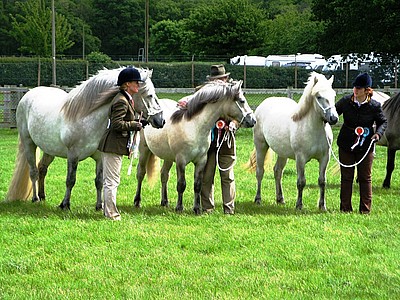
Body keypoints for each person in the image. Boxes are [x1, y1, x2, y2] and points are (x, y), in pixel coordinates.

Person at [98, 67, 148, 220]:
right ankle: (111, 214)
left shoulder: (124, 98)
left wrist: (138, 122)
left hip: (114, 145)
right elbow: (116, 124)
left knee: (112, 180)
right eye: (136, 83)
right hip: (113, 145)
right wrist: (135, 125)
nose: (138, 86)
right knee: (112, 181)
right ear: (126, 84)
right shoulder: (121, 100)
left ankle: (109, 211)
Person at [335, 72, 387, 214]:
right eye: (354, 87)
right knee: (346, 177)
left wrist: (378, 134)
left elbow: (383, 122)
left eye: (359, 88)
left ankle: (365, 210)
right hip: (346, 144)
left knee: (365, 177)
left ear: (367, 90)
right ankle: (345, 208)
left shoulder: (375, 106)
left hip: (366, 145)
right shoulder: (345, 101)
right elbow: (333, 114)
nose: (355, 90)